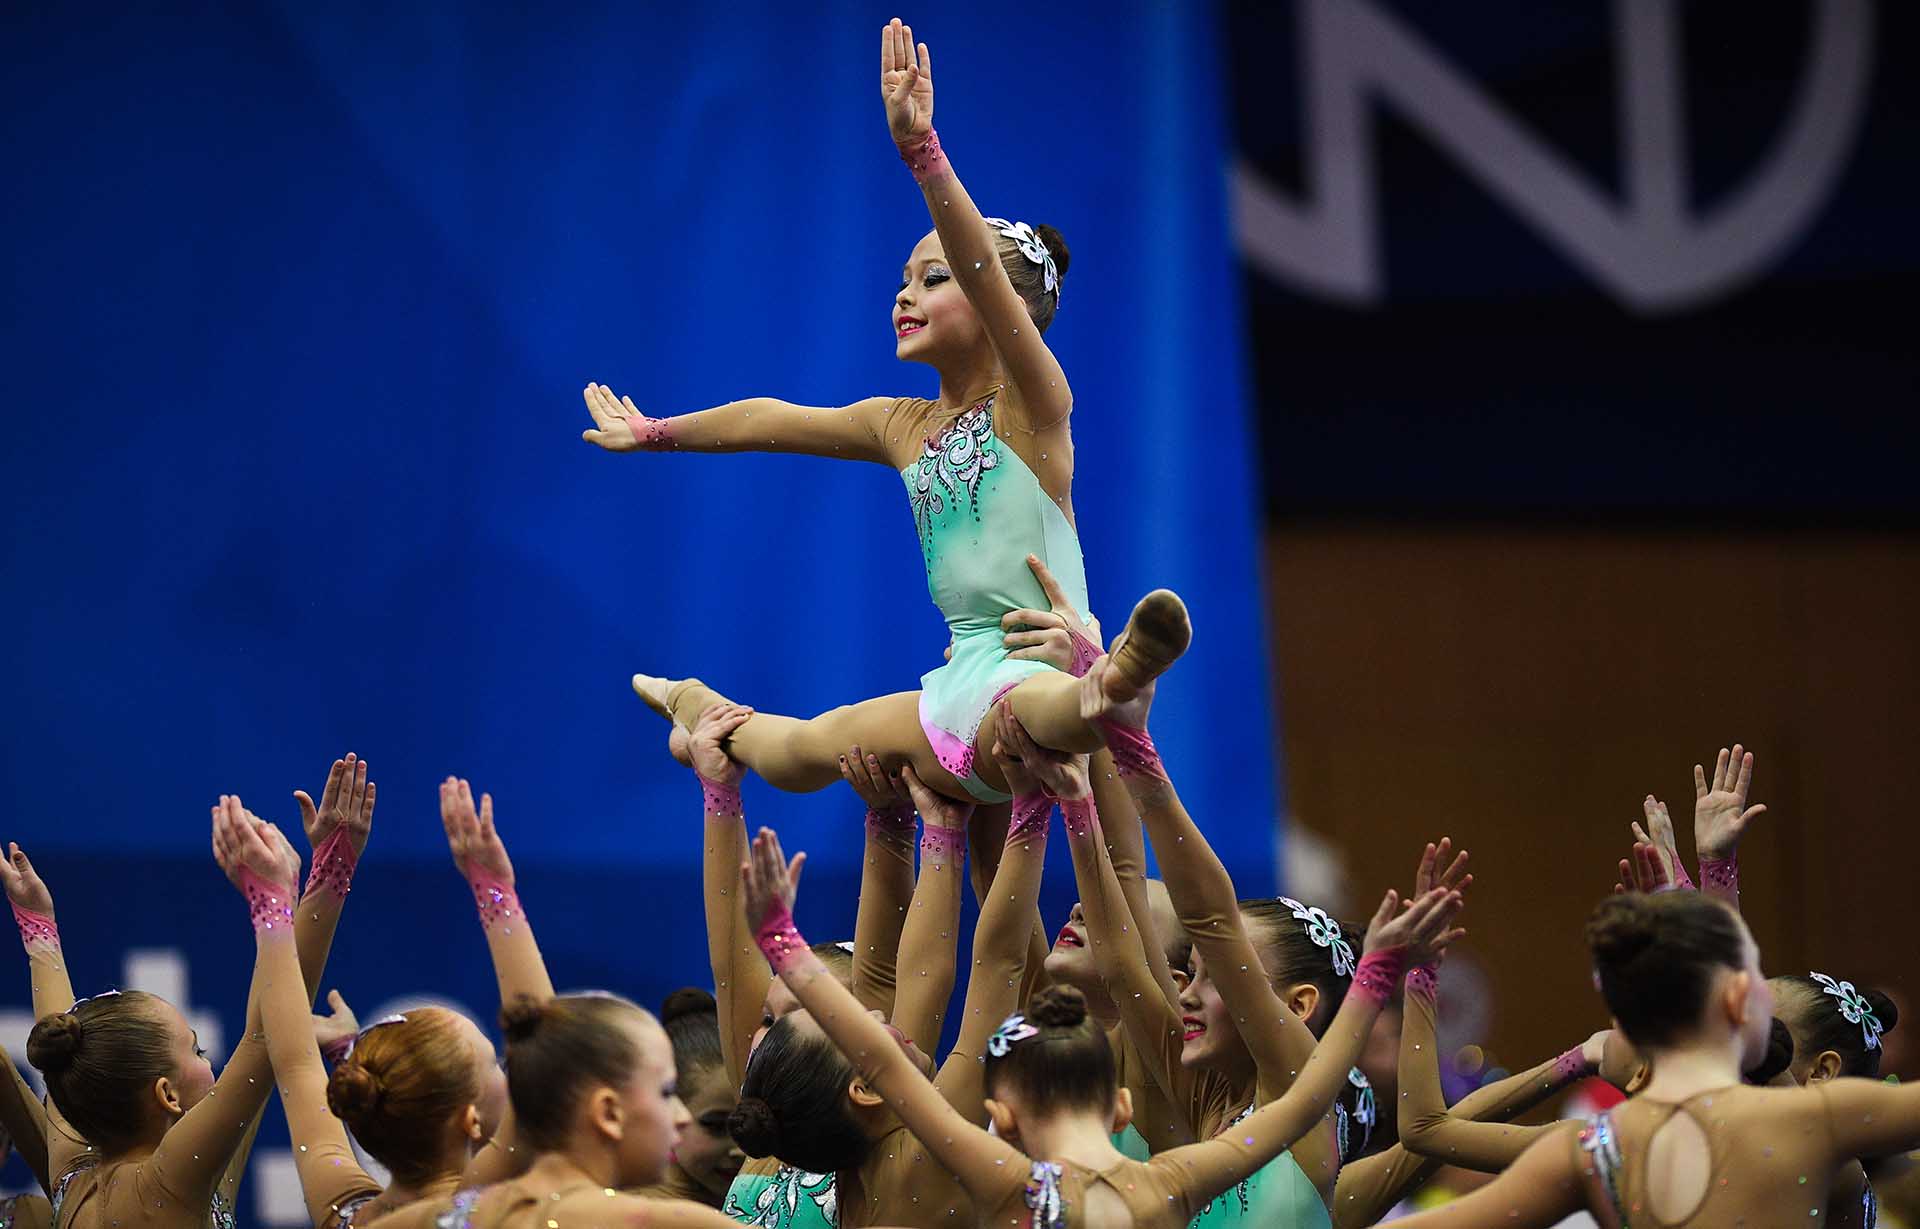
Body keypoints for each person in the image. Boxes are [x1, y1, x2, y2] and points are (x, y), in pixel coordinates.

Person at [585, 19, 1188, 807]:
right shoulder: (898, 427)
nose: (905, 293)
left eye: (933, 278)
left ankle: (1115, 682)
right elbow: (772, 419)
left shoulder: (1034, 410)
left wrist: (922, 154)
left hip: (1042, 672)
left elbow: (984, 272)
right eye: (904, 278)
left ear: (989, 302)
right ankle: (703, 708)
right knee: (803, 747)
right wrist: (659, 433)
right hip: (955, 683)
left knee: (1039, 712)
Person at [738, 796, 1464, 1229]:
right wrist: (1385, 976)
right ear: (1120, 1107)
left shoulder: (1004, 1178)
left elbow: (889, 1047)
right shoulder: (1171, 1181)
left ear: (1008, 1116)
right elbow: (1316, 1092)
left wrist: (783, 941)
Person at [1375, 890, 1920, 1226]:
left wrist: (1415, 977)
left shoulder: (1592, 1151)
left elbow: (1424, 1128)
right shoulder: (1818, 1128)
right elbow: (1426, 1131)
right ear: (1734, 1004)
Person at [15, 754, 370, 1229]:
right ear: (167, 1095)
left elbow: (60, 1032)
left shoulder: (73, 1179)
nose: (212, 1062)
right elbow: (263, 1039)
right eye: (197, 1050)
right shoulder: (169, 1179)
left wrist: (39, 928)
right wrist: (316, 878)